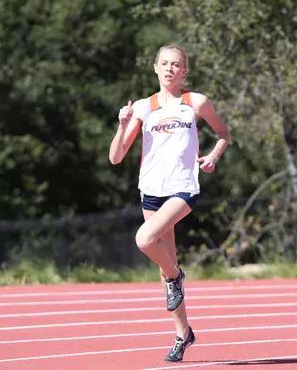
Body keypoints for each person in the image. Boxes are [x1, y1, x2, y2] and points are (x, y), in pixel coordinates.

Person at [108, 44, 231, 362]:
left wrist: (214, 156)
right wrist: (122, 125)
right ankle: (183, 334)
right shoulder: (143, 108)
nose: (169, 69)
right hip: (151, 190)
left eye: (176, 64)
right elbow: (116, 156)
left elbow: (223, 133)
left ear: (184, 71)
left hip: (183, 187)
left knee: (144, 239)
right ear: (155, 68)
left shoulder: (196, 102)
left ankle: (177, 276)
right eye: (164, 63)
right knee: (165, 267)